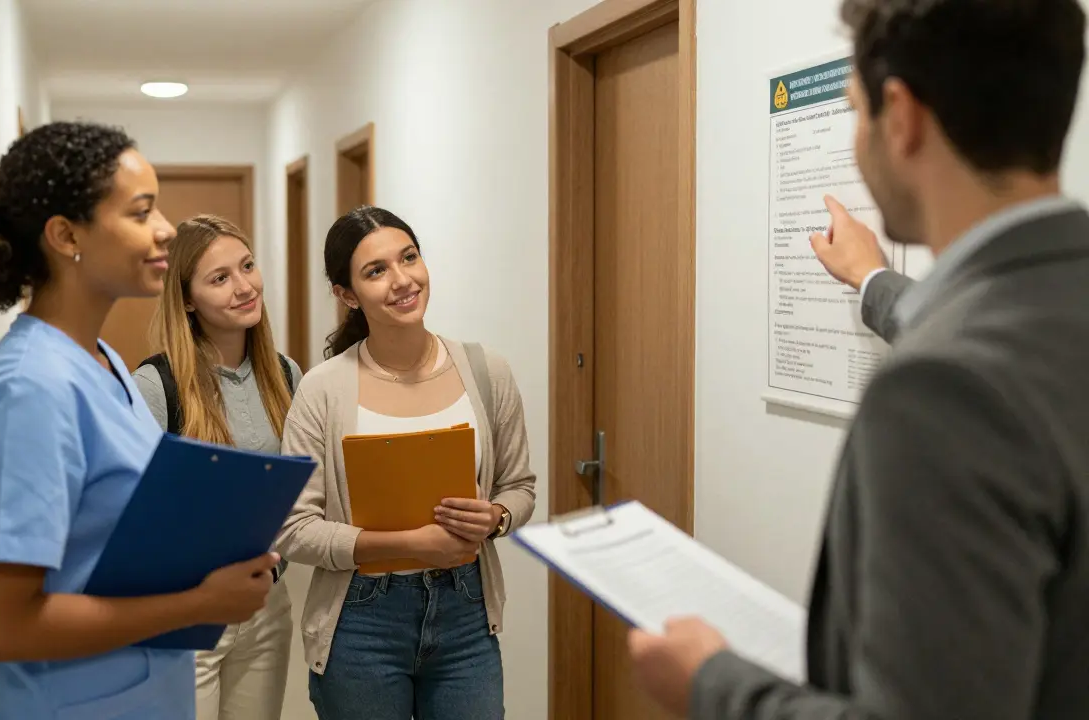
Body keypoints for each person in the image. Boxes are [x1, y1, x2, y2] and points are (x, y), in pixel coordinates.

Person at [627, 1, 1089, 718]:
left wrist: (709, 683)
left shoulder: (940, 390)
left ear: (900, 117)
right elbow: (998, 335)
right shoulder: (1046, 306)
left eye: (853, 110)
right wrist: (872, 281)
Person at [0, 121, 279, 720]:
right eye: (141, 212)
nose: (165, 229)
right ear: (66, 235)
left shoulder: (102, 361)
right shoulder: (30, 390)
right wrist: (197, 604)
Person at [275, 206, 536, 719]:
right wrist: (410, 545)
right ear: (347, 295)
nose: (402, 280)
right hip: (360, 620)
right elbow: (294, 528)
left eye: (409, 258)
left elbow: (519, 487)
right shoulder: (323, 389)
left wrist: (496, 517)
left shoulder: (486, 370)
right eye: (376, 271)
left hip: (466, 612)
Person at [131, 214, 302, 720]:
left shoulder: (286, 374)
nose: (244, 287)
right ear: (187, 300)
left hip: (266, 603)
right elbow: (134, 514)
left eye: (247, 266)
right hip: (187, 612)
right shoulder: (155, 386)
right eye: (220, 278)